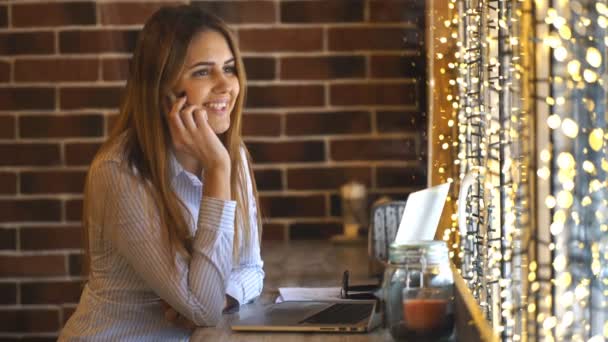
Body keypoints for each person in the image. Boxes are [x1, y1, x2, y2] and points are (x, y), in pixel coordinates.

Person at [59, 4, 264, 340]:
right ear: (163, 90)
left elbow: (251, 269)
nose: (225, 85)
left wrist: (224, 295)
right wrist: (216, 171)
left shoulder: (231, 155)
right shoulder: (120, 171)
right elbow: (202, 308)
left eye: (229, 68)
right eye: (202, 72)